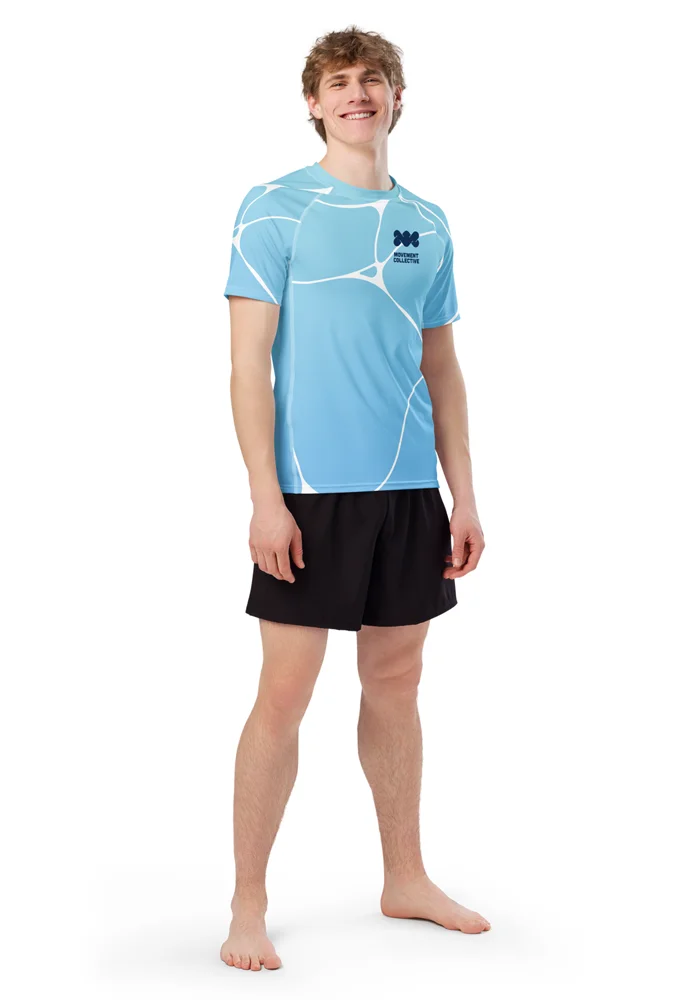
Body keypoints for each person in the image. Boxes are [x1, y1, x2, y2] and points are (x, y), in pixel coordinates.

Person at [220, 26, 489, 972]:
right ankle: (248, 902)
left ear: (397, 97)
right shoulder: (275, 208)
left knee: (398, 681)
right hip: (309, 492)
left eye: (373, 79)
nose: (357, 94)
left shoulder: (428, 221)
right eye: (338, 82)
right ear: (314, 103)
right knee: (285, 692)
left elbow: (442, 368)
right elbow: (247, 366)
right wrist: (266, 498)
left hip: (408, 491)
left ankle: (404, 876)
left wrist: (463, 494)